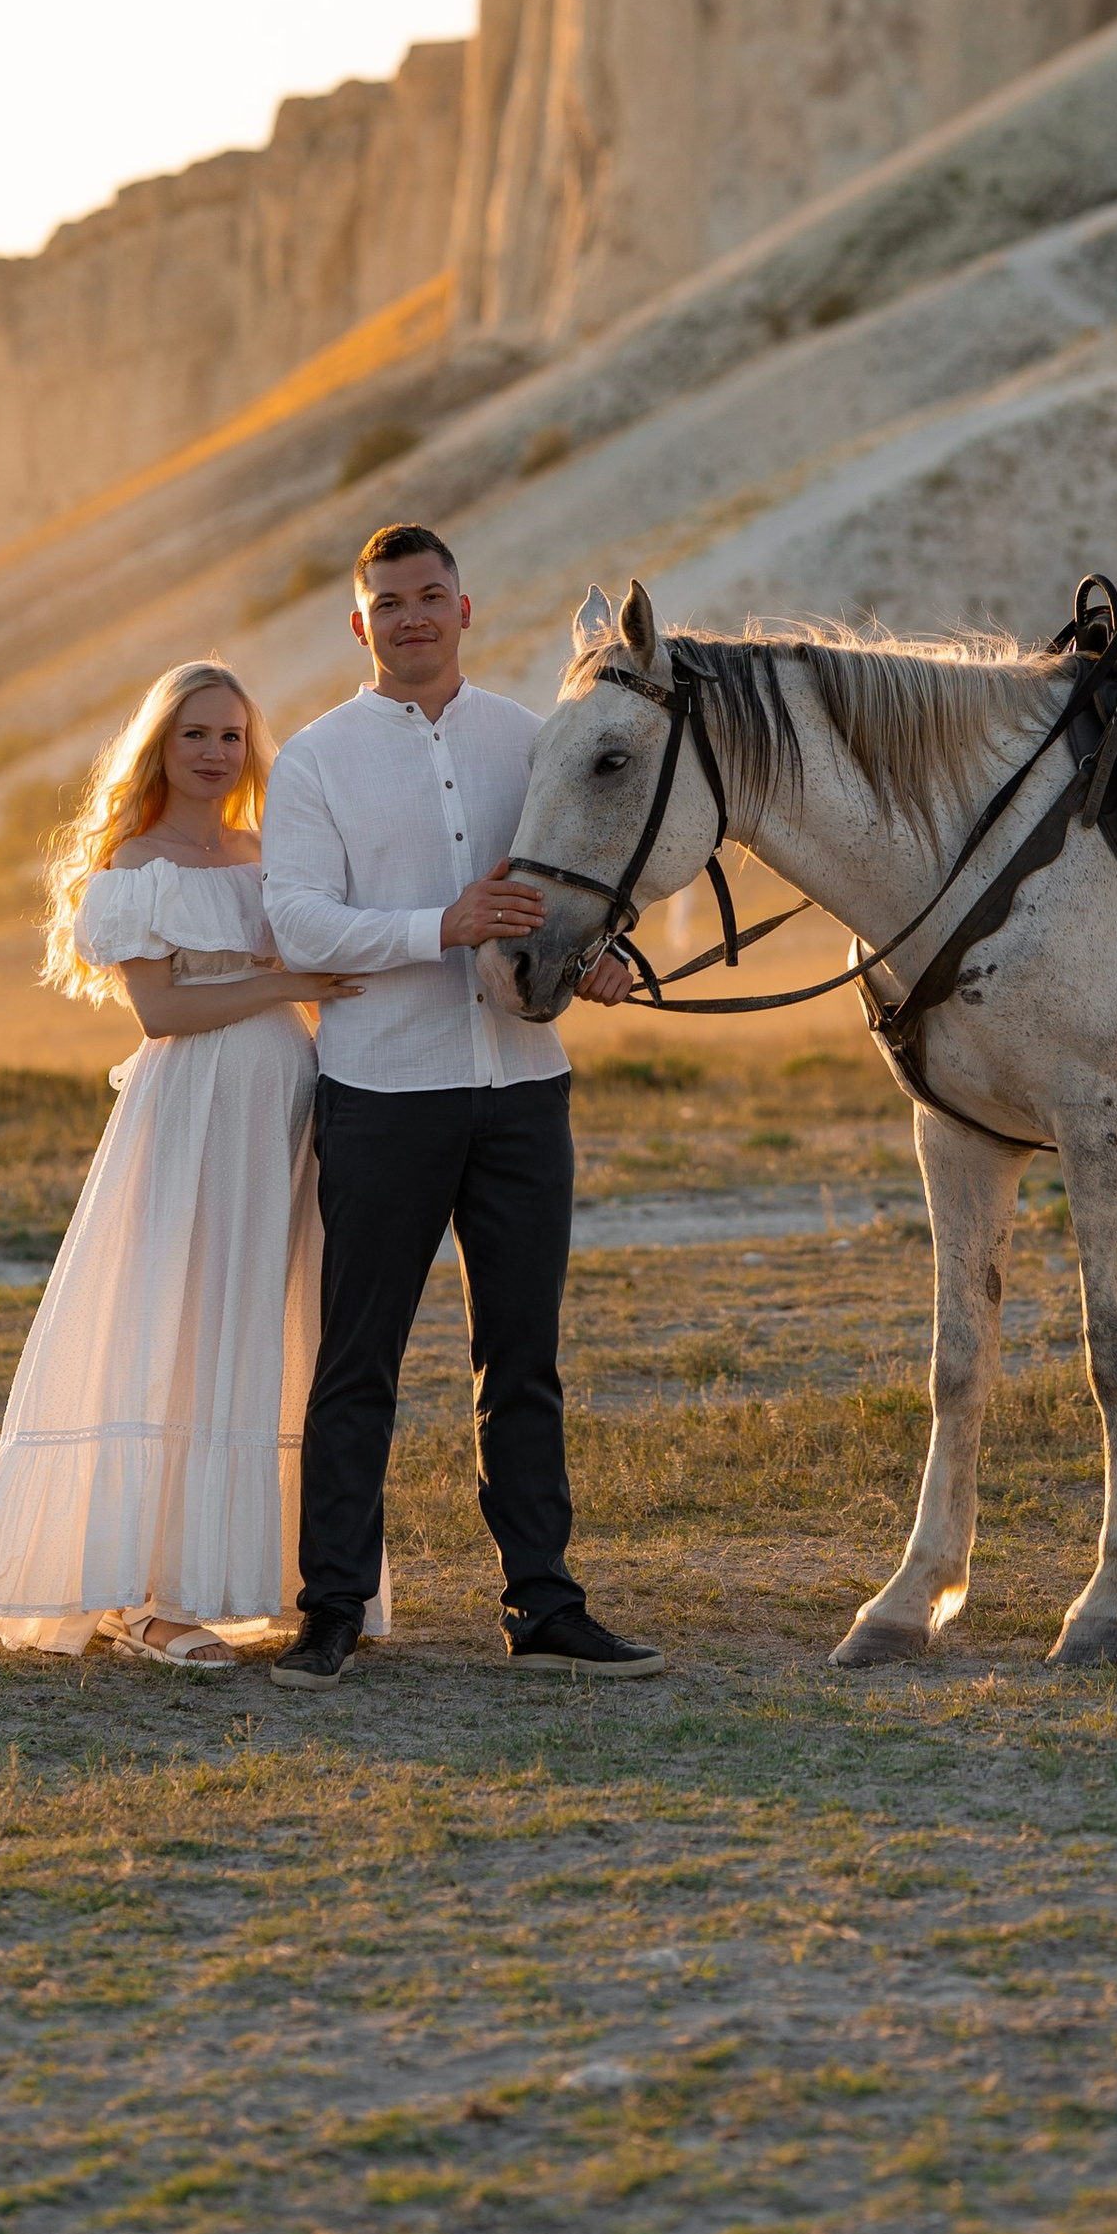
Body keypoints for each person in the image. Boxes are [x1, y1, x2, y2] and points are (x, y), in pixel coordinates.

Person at [259, 521, 658, 1691]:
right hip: (383, 1094)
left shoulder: (531, 742)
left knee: (522, 1361)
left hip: (524, 1091)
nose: (413, 618)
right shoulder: (317, 760)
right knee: (358, 1362)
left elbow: (584, 876)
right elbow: (298, 921)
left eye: (430, 596)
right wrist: (441, 926)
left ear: (464, 608)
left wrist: (600, 956)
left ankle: (544, 1606)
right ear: (360, 624)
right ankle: (331, 1610)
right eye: (389, 603)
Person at [0, 661, 372, 1665]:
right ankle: (148, 1600)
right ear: (159, 749)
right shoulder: (137, 866)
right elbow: (162, 1010)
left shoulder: (272, 854)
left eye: (230, 736)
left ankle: (260, 1579)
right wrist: (285, 980)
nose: (215, 753)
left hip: (282, 1109)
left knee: (263, 1325)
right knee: (178, 1327)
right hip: (192, 1113)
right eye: (193, 735)